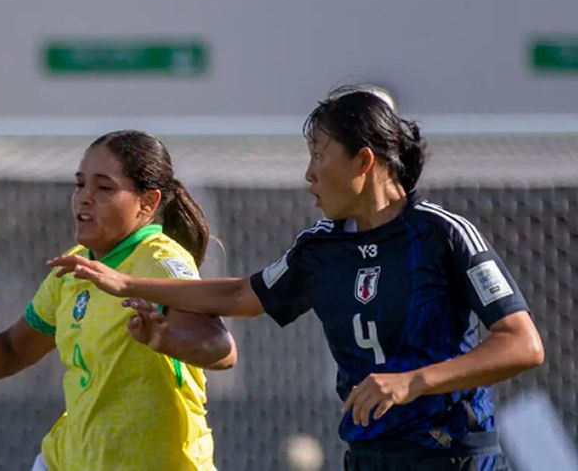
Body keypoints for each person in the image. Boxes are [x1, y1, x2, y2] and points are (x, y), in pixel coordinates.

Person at [49, 86, 545, 471]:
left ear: (363, 161)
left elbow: (521, 344)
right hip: (368, 456)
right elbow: (241, 295)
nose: (308, 173)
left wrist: (412, 382)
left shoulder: (444, 235)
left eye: (318, 154)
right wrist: (128, 283)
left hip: (455, 457)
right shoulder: (320, 247)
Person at [0, 130, 238, 471]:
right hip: (67, 459)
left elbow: (221, 348)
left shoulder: (160, 261)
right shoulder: (75, 266)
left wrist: (166, 339)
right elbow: (13, 348)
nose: (84, 197)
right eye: (80, 183)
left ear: (148, 203)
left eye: (104, 187)